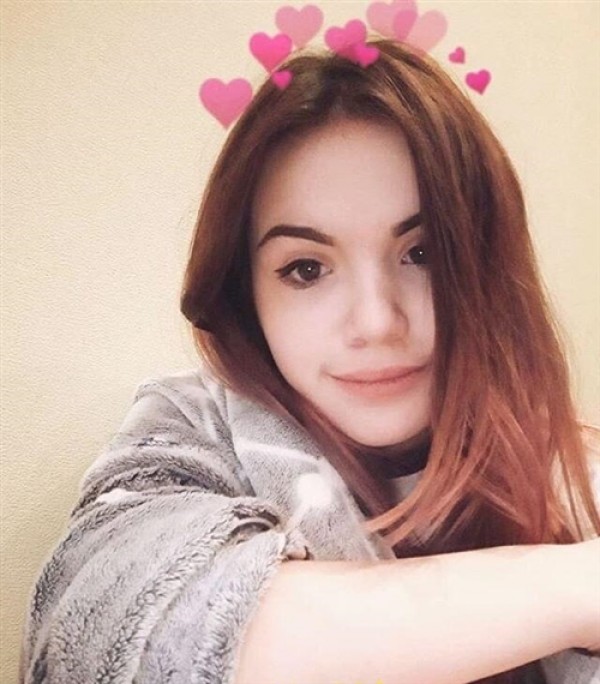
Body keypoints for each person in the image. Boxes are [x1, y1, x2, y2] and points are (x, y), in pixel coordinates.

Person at [19, 37, 600, 684]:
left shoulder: (566, 464)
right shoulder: (190, 430)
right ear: (245, 293)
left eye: (424, 254)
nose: (377, 322)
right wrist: (576, 588)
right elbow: (113, 633)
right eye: (306, 268)